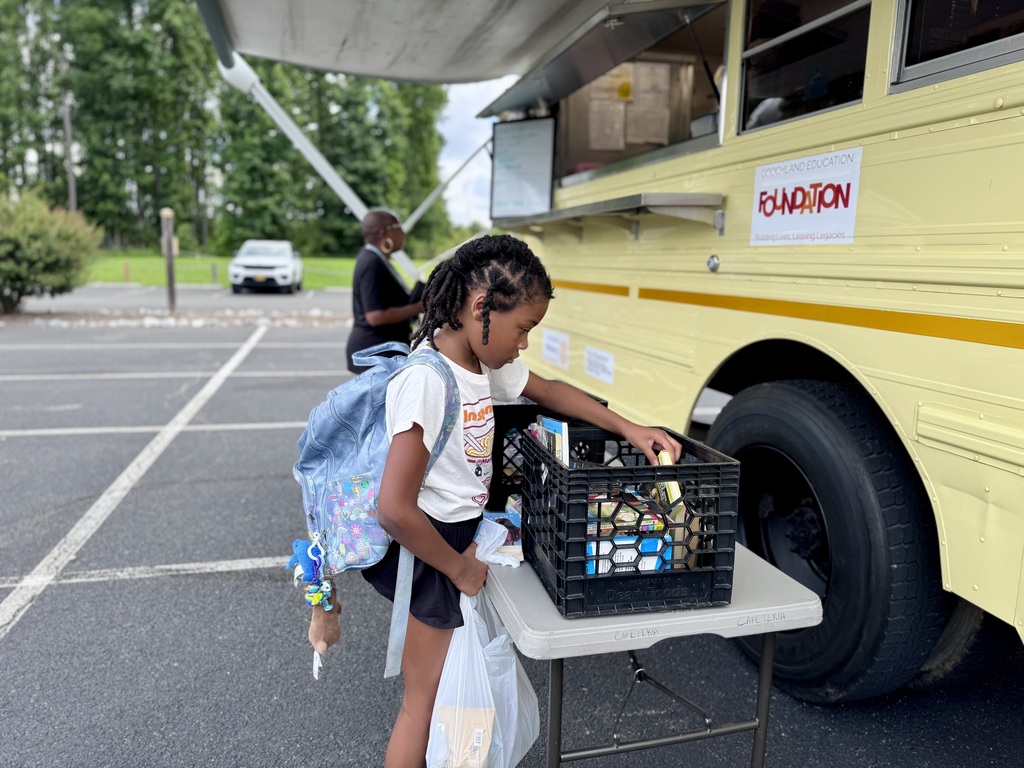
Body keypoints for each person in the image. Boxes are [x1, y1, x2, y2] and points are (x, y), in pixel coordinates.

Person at [310, 234, 682, 767]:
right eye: (524, 328)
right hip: (432, 552)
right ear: (481, 307)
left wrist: (629, 426)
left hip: (455, 541)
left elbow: (549, 390)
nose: (524, 343)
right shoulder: (426, 380)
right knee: (425, 700)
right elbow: (394, 508)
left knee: (450, 699)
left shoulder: (480, 362)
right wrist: (458, 568)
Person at [346, 209, 423, 373]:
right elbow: (375, 316)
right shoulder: (371, 262)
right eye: (398, 226)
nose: (403, 232)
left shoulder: (377, 259)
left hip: (381, 350)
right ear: (383, 232)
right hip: (375, 352)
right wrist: (418, 307)